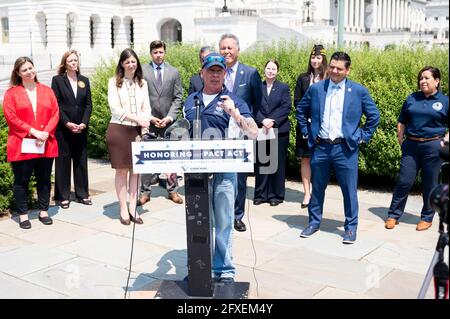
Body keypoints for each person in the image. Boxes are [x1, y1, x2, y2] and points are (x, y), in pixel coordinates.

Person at [183, 52, 258, 282]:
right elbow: (183, 134)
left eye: (219, 71)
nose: (215, 75)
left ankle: (224, 269)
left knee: (224, 221)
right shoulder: (191, 100)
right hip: (196, 171)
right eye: (211, 70)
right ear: (202, 73)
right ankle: (198, 268)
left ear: (225, 74)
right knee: (198, 221)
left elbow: (254, 132)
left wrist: (234, 113)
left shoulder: (233, 100)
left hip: (225, 170)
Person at [296, 51, 380, 244]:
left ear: (347, 70)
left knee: (349, 190)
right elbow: (301, 110)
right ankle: (314, 222)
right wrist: (307, 132)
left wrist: (362, 136)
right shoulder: (317, 89)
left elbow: (374, 116)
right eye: (332, 66)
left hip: (346, 149)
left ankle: (351, 228)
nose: (334, 71)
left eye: (339, 68)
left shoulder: (358, 91)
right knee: (317, 188)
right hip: (321, 147)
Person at [385, 66, 449, 231]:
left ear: (437, 81)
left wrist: (445, 142)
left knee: (430, 184)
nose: (423, 81)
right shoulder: (412, 98)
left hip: (434, 146)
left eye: (427, 78)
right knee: (404, 181)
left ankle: (427, 217)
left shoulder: (444, 101)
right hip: (411, 146)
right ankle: (393, 215)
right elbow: (402, 120)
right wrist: (401, 138)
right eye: (421, 78)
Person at [2, 56, 59, 229]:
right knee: (22, 180)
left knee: (44, 178)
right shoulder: (11, 93)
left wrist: (45, 132)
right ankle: (23, 215)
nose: (29, 72)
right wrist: (33, 131)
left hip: (44, 142)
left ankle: (43, 211)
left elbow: (55, 113)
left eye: (31, 68)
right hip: (22, 143)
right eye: (25, 70)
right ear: (18, 73)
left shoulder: (47, 90)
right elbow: (11, 117)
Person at [219, 33, 262, 232]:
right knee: (220, 176)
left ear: (238, 50)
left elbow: (257, 103)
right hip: (218, 133)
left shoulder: (250, 73)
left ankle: (237, 215)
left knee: (241, 178)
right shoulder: (214, 72)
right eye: (223, 48)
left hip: (242, 133)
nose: (226, 51)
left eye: (230, 48)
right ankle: (221, 214)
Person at [106, 48, 153, 225]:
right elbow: (115, 109)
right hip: (119, 130)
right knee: (122, 170)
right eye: (127, 62)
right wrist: (138, 119)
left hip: (138, 131)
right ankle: (123, 209)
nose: (131, 65)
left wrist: (145, 123)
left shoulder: (143, 83)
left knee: (136, 171)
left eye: (134, 61)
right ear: (122, 64)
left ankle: (133, 207)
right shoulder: (114, 82)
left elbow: (147, 108)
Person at [138, 40, 184, 206]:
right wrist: (149, 116)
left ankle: (172, 191)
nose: (158, 55)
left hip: (168, 123)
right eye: (155, 52)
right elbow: (138, 96)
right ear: (151, 53)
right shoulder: (142, 70)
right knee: (146, 158)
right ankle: (144, 192)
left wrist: (170, 117)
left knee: (171, 159)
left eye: (161, 52)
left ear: (165, 53)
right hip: (148, 121)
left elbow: (178, 97)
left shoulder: (174, 72)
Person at [51, 50, 92, 209]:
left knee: (81, 161)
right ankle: (63, 196)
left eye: (76, 60)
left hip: (81, 128)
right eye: (71, 61)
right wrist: (67, 122)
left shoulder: (84, 80)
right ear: (65, 63)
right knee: (63, 161)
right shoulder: (58, 80)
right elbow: (56, 104)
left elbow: (88, 105)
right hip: (63, 128)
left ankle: (82, 194)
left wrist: (84, 123)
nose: (74, 63)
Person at [294, 44, 328, 208]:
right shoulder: (303, 78)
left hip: (323, 127)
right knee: (306, 159)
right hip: (304, 125)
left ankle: (317, 192)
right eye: (313, 57)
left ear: (323, 60)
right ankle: (307, 194)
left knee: (319, 161)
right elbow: (297, 101)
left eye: (318, 58)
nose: (315, 60)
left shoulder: (328, 79)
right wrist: (306, 119)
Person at [254, 59, 292, 206]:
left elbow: (286, 107)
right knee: (263, 162)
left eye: (274, 69)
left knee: (277, 163)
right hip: (262, 128)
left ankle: (276, 195)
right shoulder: (258, 87)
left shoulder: (283, 87)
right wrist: (262, 120)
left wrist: (273, 121)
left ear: (277, 71)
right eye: (268, 68)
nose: (270, 71)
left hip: (279, 129)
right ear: (264, 70)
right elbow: (253, 107)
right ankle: (261, 194)